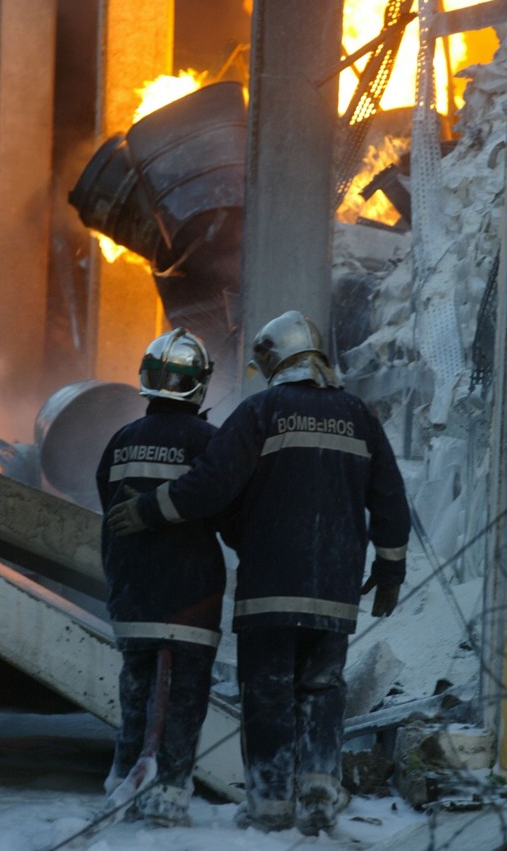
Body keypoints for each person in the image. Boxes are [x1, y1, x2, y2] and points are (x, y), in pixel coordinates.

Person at [106, 310, 411, 837]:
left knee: (267, 690)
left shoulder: (261, 411)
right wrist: (390, 569)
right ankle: (319, 782)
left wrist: (149, 509)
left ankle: (270, 806)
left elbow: (210, 487)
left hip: (269, 585)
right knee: (322, 685)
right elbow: (389, 498)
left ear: (275, 360)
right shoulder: (359, 416)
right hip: (335, 587)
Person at [96, 327, 227, 828]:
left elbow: (109, 507)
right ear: (200, 384)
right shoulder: (208, 442)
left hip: (130, 598)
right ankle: (166, 800)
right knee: (181, 705)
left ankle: (121, 787)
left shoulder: (121, 440)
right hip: (188, 599)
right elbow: (224, 507)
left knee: (136, 700)